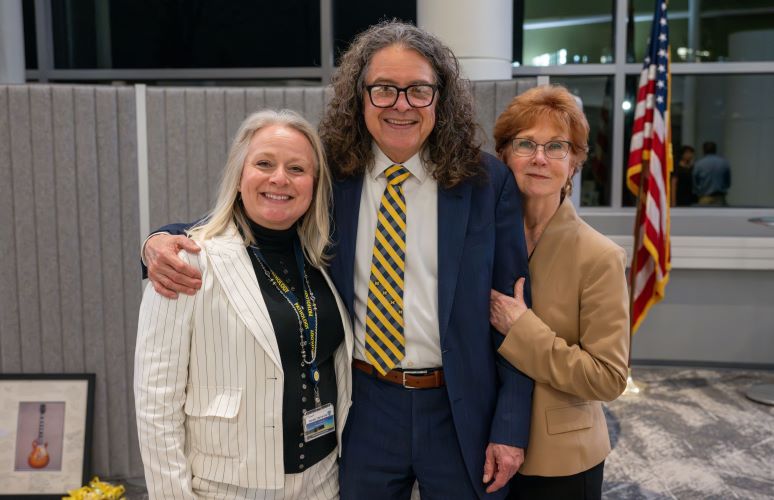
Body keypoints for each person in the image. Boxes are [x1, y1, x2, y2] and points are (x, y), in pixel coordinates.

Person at [142, 20, 533, 500]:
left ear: (441, 97)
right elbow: (253, 212)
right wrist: (161, 240)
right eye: (384, 90)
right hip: (365, 407)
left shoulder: (484, 182)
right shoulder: (332, 171)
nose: (401, 105)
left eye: (418, 90)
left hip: (459, 408)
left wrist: (511, 425)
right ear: (360, 95)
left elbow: (516, 314)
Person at [134, 109, 353, 500]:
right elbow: (156, 403)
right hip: (226, 488)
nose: (279, 178)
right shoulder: (186, 261)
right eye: (264, 163)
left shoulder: (324, 262)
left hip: (323, 483)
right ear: (239, 176)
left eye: (297, 168)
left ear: (314, 184)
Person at [489, 84, 629, 500]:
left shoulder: (600, 257)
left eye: (556, 147)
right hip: (482, 447)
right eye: (526, 143)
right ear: (503, 155)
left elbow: (608, 378)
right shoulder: (482, 244)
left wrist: (522, 329)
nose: (539, 158)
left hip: (562, 462)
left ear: (574, 163)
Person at [693, 141, 731, 206]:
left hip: (704, 197)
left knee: (703, 215)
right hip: (720, 197)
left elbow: (695, 182)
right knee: (720, 215)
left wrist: (699, 191)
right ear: (715, 150)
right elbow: (728, 182)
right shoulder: (723, 163)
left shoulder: (699, 164)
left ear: (703, 150)